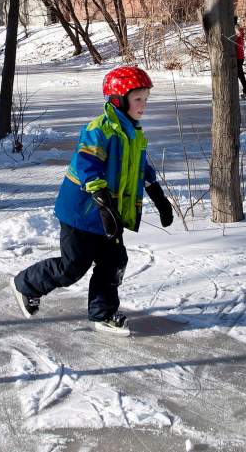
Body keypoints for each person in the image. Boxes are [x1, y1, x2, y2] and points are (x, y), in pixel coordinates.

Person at [9, 65, 175, 336]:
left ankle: (104, 313)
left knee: (114, 262)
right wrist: (101, 199)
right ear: (118, 100)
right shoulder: (100, 130)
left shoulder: (134, 133)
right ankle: (26, 284)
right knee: (73, 267)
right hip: (83, 212)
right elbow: (87, 165)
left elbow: (139, 167)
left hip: (110, 214)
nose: (143, 105)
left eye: (146, 99)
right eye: (138, 99)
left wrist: (157, 193)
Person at [235, 20, 246, 98]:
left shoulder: (238, 37)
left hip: (238, 58)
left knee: (240, 75)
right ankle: (245, 90)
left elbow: (236, 46)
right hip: (240, 58)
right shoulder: (239, 36)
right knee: (239, 74)